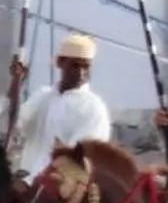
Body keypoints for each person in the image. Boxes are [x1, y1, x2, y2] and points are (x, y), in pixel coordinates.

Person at [10, 33, 112, 178]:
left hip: (55, 191)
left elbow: (76, 160)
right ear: (60, 63)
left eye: (86, 67)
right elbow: (9, 125)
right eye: (75, 65)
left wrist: (31, 182)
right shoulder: (42, 96)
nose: (81, 73)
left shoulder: (94, 107)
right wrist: (15, 85)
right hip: (22, 182)